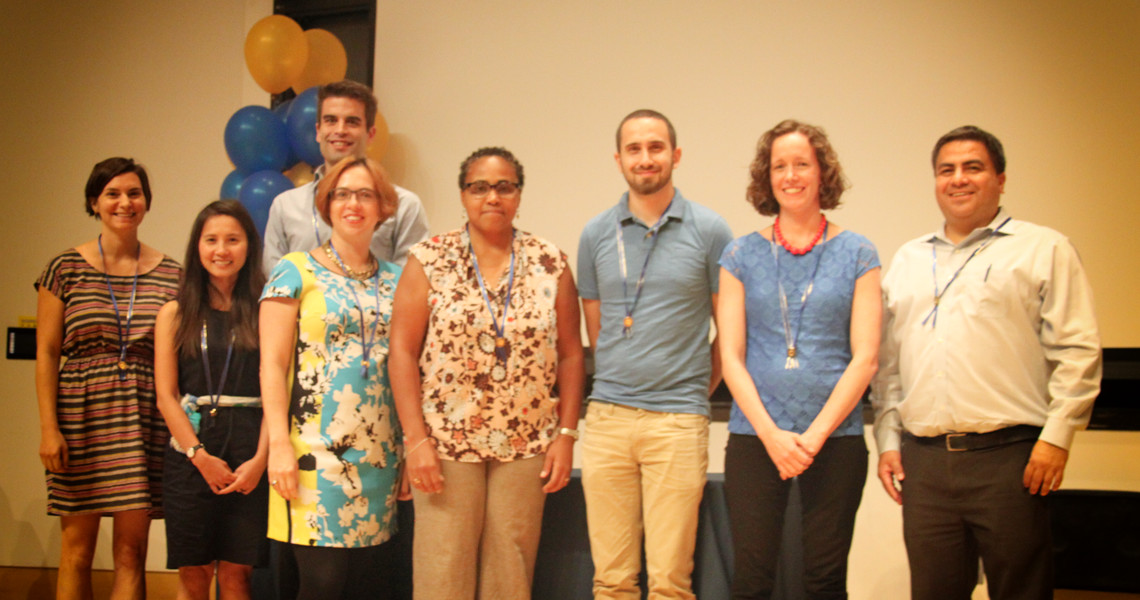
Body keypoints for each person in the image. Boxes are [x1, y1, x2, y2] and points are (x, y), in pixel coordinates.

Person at [873, 125, 1101, 600]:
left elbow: (1077, 351)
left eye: (973, 167)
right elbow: (889, 365)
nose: (959, 179)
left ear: (1000, 178)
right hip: (925, 464)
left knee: (1021, 591)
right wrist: (889, 439)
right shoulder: (909, 259)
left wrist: (1057, 439)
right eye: (946, 170)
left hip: (1012, 460)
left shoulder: (1043, 248)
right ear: (935, 181)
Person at [389, 147, 584, 600]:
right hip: (445, 442)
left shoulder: (550, 261)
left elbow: (572, 355)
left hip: (526, 443)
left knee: (510, 572)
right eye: (479, 187)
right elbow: (401, 351)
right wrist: (414, 439)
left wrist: (567, 434)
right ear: (463, 195)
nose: (492, 196)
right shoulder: (430, 259)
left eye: (504, 186)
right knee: (443, 569)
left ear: (518, 195)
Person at [717, 120, 880, 599]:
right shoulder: (740, 254)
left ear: (822, 172)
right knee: (751, 578)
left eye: (801, 164)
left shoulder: (858, 252)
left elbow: (866, 358)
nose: (791, 175)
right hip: (755, 438)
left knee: (825, 580)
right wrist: (772, 436)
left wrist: (811, 438)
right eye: (779, 166)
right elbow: (730, 357)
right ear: (766, 178)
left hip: (835, 438)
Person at [577, 109, 734, 599]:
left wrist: (689, 391)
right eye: (635, 149)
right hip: (606, 421)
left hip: (678, 424)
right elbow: (598, 328)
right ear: (619, 159)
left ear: (676, 155)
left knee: (670, 581)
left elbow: (728, 335)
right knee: (612, 580)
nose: (646, 158)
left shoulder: (711, 231)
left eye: (656, 147)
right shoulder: (595, 234)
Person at [34, 157, 181, 599]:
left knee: (131, 551)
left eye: (134, 193)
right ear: (94, 202)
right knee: (76, 550)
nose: (124, 202)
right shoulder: (64, 268)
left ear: (147, 203)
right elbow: (45, 353)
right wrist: (48, 428)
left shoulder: (172, 273)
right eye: (112, 193)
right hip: (80, 420)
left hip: (142, 420)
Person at [260, 156, 406, 599]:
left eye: (365, 194)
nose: (353, 203)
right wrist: (279, 446)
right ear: (326, 205)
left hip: (380, 459)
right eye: (342, 194)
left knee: (364, 586)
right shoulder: (294, 269)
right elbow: (271, 364)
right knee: (322, 585)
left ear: (383, 206)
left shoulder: (400, 281)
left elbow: (406, 367)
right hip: (311, 457)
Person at [154, 200, 269, 599]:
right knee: (195, 573)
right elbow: (166, 396)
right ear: (197, 247)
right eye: (212, 240)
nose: (222, 250)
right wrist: (198, 455)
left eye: (233, 240)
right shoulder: (174, 312)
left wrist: (260, 461)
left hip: (250, 449)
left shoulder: (265, 309)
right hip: (190, 451)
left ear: (249, 247)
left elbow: (278, 393)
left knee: (238, 575)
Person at [262, 79, 429, 273]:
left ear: (371, 133)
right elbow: (275, 281)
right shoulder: (285, 206)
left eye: (352, 122)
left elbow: (411, 284)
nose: (340, 130)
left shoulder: (404, 206)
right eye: (331, 120)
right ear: (318, 131)